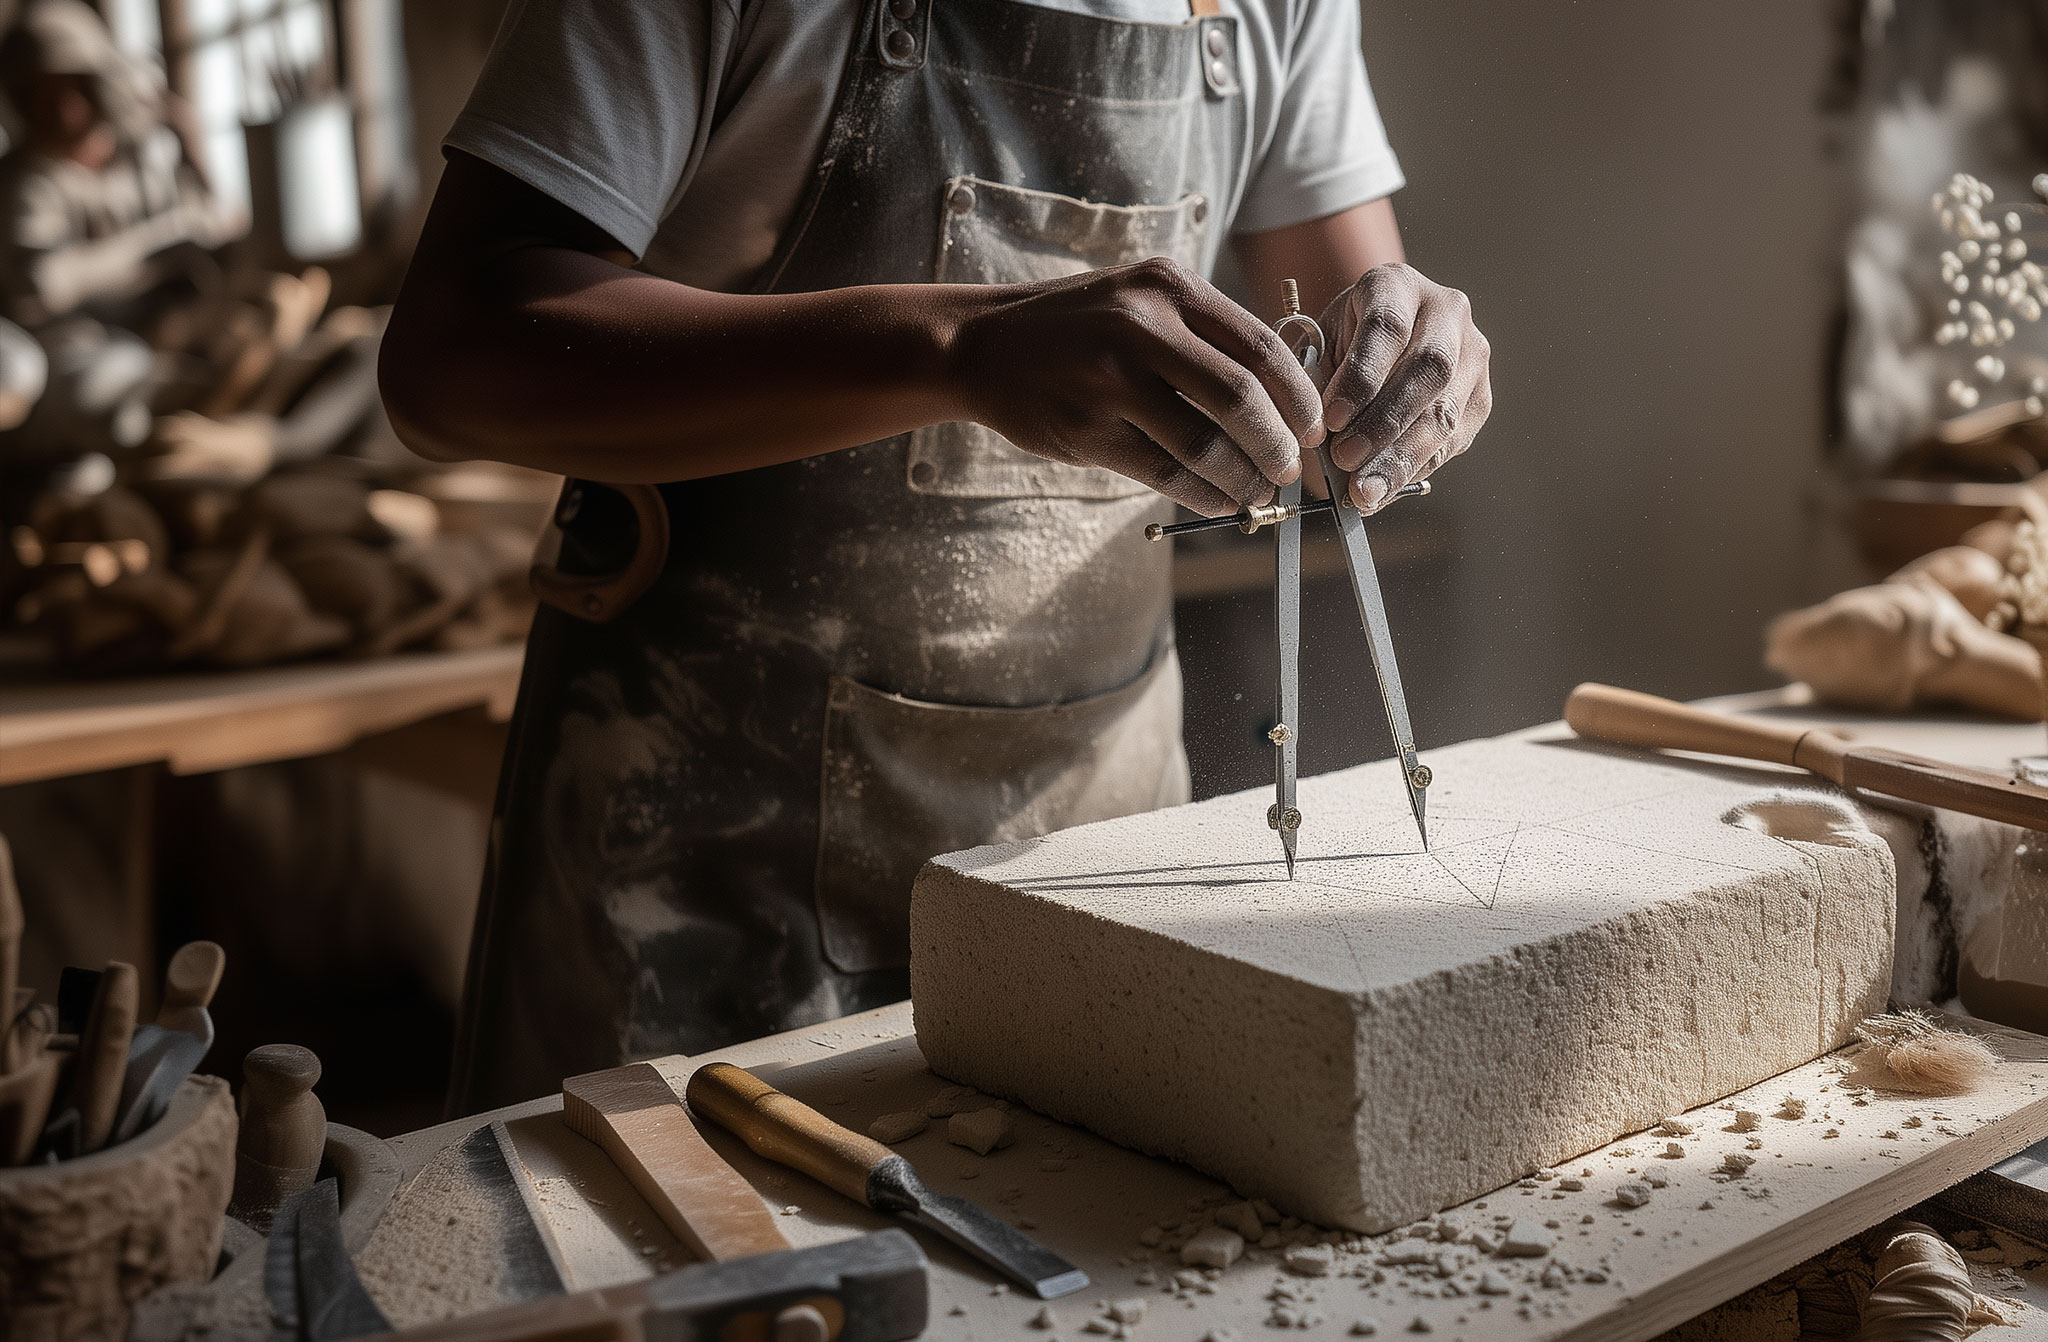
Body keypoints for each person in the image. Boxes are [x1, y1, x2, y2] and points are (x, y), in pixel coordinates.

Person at [381, 0, 1494, 1114]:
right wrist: (959, 347)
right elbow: (450, 353)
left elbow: (1348, 358)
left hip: (1099, 851)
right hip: (704, 865)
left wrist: (1410, 374)